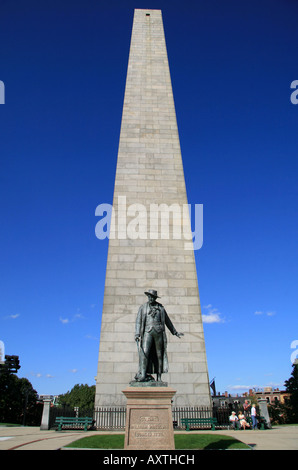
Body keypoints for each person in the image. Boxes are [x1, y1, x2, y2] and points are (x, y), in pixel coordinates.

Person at [134, 290, 183, 382]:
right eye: (149, 296)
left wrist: (175, 332)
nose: (150, 298)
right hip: (147, 332)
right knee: (144, 352)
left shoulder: (161, 308)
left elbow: (167, 321)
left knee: (159, 355)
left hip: (159, 332)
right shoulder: (143, 307)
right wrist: (137, 333)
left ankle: (159, 377)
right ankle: (143, 374)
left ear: (155, 298)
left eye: (152, 297)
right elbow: (138, 321)